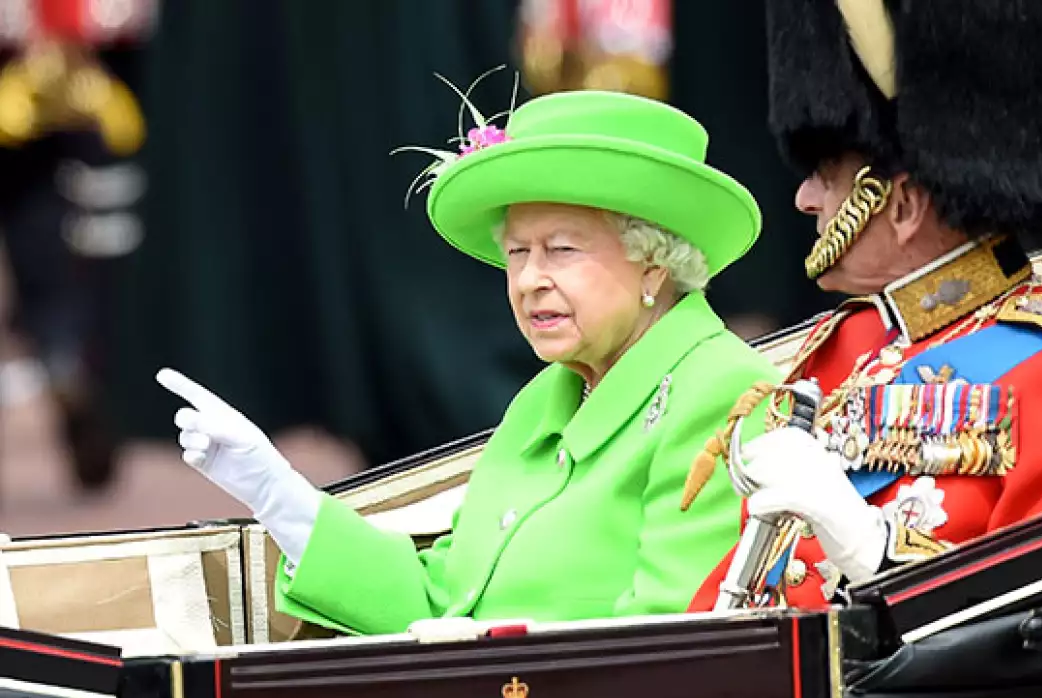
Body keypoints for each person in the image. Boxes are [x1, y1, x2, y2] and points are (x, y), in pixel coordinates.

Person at [157, 82, 781, 635]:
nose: (529, 279)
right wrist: (279, 495)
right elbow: (442, 603)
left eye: (561, 250)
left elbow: (671, 645)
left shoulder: (720, 392)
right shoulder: (545, 399)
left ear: (653, 263)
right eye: (517, 253)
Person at [686, 0, 1042, 612]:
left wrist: (871, 552)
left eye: (826, 175)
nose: (806, 199)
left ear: (904, 204)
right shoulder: (838, 356)